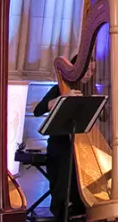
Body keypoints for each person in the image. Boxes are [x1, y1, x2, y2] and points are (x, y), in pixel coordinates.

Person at [33, 82, 84, 220]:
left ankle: (85, 203)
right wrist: (61, 100)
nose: (89, 73)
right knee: (67, 158)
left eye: (92, 70)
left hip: (82, 142)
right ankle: (64, 207)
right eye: (87, 69)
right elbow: (38, 110)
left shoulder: (91, 89)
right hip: (59, 142)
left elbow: (105, 116)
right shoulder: (58, 89)